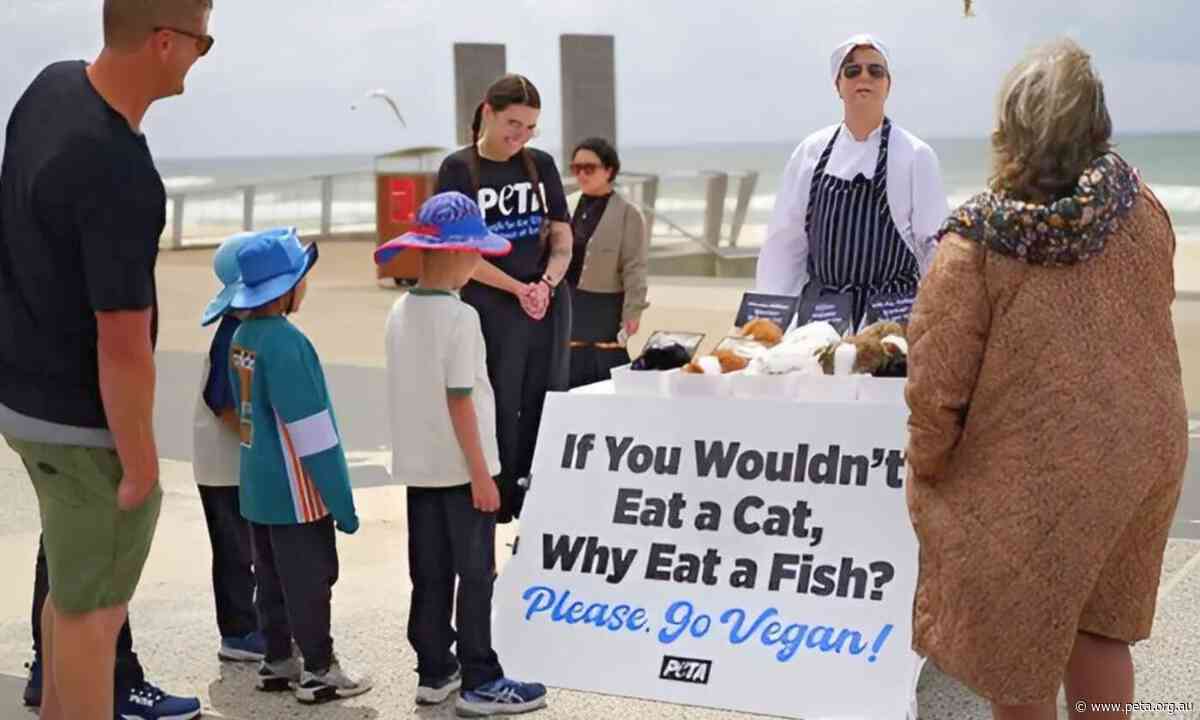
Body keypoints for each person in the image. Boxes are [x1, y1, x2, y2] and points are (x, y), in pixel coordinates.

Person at [904, 38, 1188, 720]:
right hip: (1144, 454)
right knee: (1101, 623)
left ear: (1011, 130)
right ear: (1095, 123)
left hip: (1039, 474)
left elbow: (936, 382)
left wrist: (928, 463)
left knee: (1020, 651)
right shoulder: (1140, 206)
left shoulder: (978, 241)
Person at [0, 1, 212, 718]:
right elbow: (123, 345)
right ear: (163, 42)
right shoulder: (120, 170)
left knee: (71, 593)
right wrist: (143, 463)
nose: (201, 56)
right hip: (83, 422)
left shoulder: (50, 86)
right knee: (97, 616)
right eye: (201, 40)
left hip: (21, 397)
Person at [376, 191, 548, 717]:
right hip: (462, 469)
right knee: (476, 573)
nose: (479, 262)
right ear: (455, 254)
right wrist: (482, 476)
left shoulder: (399, 312)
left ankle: (434, 670)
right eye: (475, 252)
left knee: (427, 573)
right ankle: (480, 677)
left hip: (418, 469)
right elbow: (461, 402)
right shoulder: (461, 318)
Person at [227, 228, 371, 705]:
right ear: (286, 288)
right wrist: (342, 502)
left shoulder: (241, 336)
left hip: (256, 483)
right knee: (311, 576)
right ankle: (320, 669)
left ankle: (277, 659)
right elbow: (313, 432)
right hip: (296, 489)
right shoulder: (289, 343)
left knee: (268, 575)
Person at [435, 74, 573, 523]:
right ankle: (496, 495)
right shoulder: (459, 169)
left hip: (545, 300)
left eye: (531, 127)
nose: (521, 135)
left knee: (546, 397)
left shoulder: (541, 165)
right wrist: (517, 288)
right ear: (488, 112)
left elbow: (562, 235)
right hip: (490, 303)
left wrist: (547, 284)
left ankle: (541, 496)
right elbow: (460, 252)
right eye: (513, 123)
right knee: (495, 398)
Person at [756, 34, 948, 329]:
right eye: (853, 70)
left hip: (893, 316)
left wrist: (939, 319)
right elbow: (784, 243)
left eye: (876, 70)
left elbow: (933, 247)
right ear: (838, 84)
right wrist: (769, 321)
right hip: (821, 317)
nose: (865, 77)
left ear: (888, 84)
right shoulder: (811, 152)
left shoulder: (916, 155)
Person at [195, 232, 265, 662]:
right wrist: (260, 443)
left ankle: (250, 623)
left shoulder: (244, 326)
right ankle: (238, 632)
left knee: (246, 548)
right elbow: (222, 402)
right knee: (236, 550)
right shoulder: (234, 333)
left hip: (232, 463)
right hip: (225, 467)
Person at [565, 138, 649, 388]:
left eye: (589, 168)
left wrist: (633, 311)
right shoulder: (565, 204)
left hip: (605, 304)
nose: (581, 174)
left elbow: (635, 266)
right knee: (567, 367)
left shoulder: (628, 213)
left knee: (606, 368)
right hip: (567, 300)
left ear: (609, 170)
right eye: (576, 168)